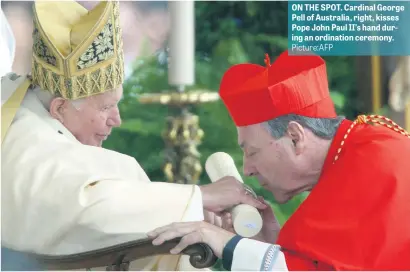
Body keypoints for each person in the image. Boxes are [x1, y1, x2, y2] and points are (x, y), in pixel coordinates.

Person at [1, 2, 264, 271]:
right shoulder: (24, 139)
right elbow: (87, 207)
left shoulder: (24, 102)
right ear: (59, 107)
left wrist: (189, 211)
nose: (117, 119)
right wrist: (199, 197)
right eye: (105, 107)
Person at [148, 51, 410, 270]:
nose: (247, 169)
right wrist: (269, 245)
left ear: (295, 138)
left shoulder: (376, 164)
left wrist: (225, 243)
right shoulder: (355, 153)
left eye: (251, 151)